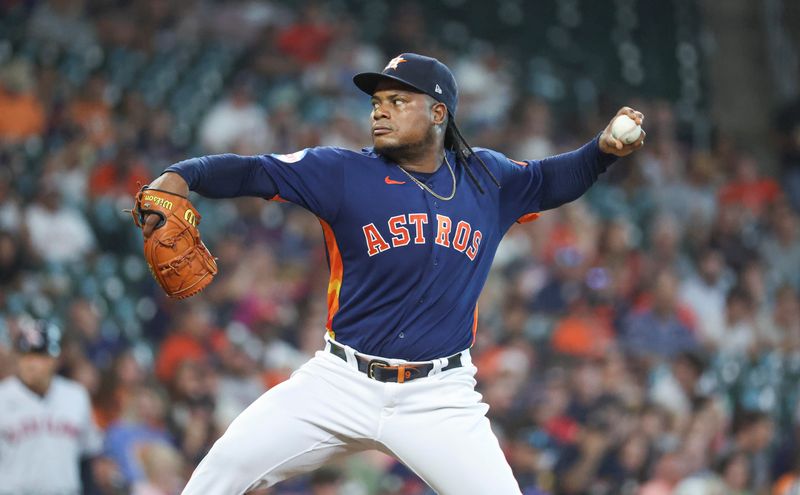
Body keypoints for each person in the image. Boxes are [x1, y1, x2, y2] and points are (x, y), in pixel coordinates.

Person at [139, 53, 645, 494]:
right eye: (377, 100)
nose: (380, 109)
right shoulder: (341, 171)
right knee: (221, 470)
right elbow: (254, 171)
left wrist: (601, 153)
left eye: (398, 100)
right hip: (339, 382)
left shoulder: (487, 178)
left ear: (438, 113)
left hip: (438, 397)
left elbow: (551, 179)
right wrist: (183, 174)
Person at [0, 318, 102, 494]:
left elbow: (86, 459)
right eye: (27, 355)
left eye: (41, 356)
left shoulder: (76, 396)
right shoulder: (2, 396)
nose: (33, 364)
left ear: (57, 359)